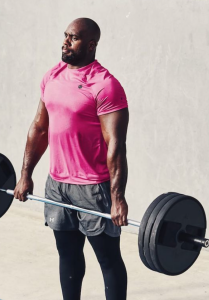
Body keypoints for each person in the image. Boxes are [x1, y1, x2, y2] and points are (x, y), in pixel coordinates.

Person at [14, 17, 129, 300]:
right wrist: (26, 174)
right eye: (65, 35)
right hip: (57, 184)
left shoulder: (105, 85)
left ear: (91, 45)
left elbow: (115, 145)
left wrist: (118, 198)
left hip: (93, 188)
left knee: (108, 258)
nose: (65, 42)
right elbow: (39, 128)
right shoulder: (53, 75)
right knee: (66, 252)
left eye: (73, 38)